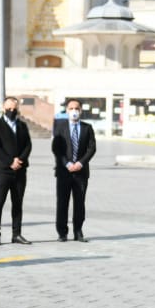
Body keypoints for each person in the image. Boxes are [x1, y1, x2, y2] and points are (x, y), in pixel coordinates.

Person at [0, 95, 33, 246]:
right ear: (3, 108)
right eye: (9, 109)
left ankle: (17, 234)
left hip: (20, 171)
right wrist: (10, 161)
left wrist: (20, 160)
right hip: (3, 171)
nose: (11, 111)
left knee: (18, 203)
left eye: (14, 109)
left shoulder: (22, 125)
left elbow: (28, 145)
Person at [52, 98, 96, 242]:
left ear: (81, 110)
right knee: (62, 203)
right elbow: (56, 148)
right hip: (64, 172)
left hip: (81, 172)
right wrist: (66, 164)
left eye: (76, 108)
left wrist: (81, 163)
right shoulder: (60, 126)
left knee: (79, 203)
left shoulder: (87, 128)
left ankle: (78, 231)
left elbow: (91, 148)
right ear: (67, 110)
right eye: (71, 108)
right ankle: (62, 233)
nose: (74, 111)